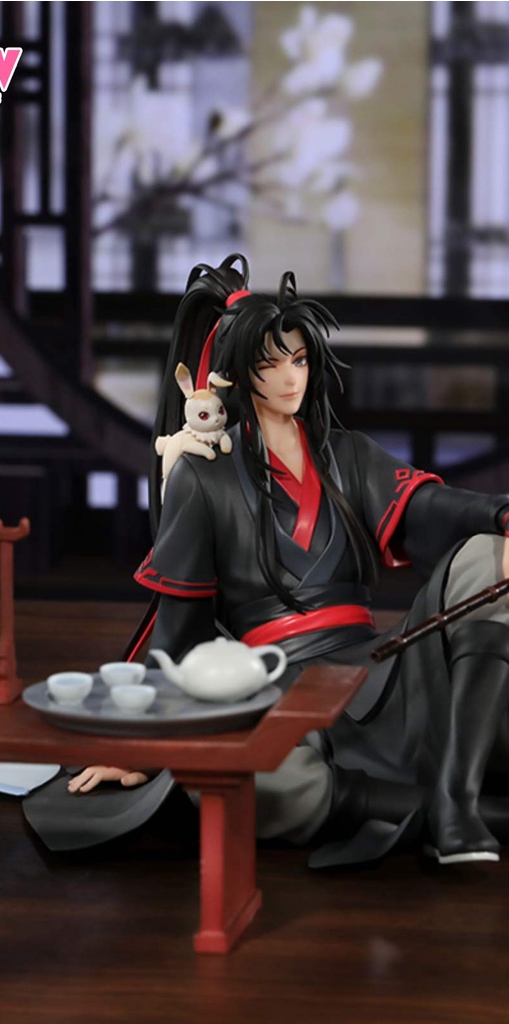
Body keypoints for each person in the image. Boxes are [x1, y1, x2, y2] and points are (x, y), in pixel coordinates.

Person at [61, 253, 509, 866]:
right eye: (269, 363)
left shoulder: (347, 454)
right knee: (236, 776)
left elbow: (429, 508)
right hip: (274, 682)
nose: (290, 377)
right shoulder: (203, 475)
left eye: (298, 360)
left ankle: (456, 796)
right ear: (237, 374)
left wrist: (501, 514)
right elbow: (180, 628)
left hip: (375, 666)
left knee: (488, 554)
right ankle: (452, 812)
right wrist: (144, 738)